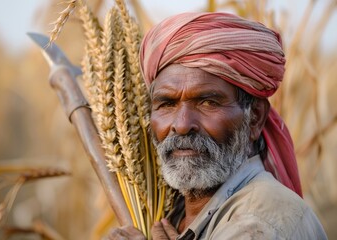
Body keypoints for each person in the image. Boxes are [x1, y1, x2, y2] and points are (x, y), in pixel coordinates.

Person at [107, 12, 327, 239]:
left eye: (208, 102)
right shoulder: (175, 214)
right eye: (167, 104)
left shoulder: (258, 225)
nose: (182, 125)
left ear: (255, 118)